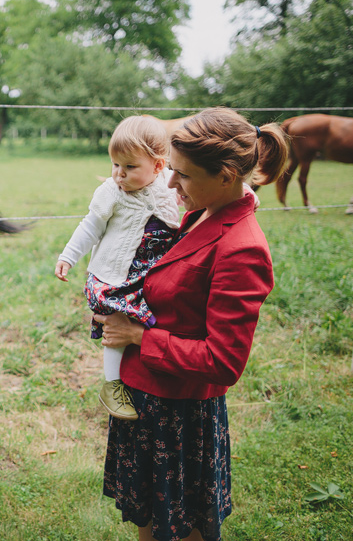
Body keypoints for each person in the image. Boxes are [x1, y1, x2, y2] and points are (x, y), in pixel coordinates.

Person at [96, 107, 288, 541]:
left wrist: (140, 336)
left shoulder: (243, 249)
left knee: (183, 527)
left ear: (224, 176)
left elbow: (223, 362)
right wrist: (121, 305)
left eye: (181, 174)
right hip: (150, 399)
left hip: (180, 413)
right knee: (151, 519)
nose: (169, 183)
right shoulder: (204, 212)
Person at [55, 116, 181, 421]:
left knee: (154, 319)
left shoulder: (170, 183)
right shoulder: (111, 192)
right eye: (115, 165)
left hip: (153, 272)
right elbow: (90, 228)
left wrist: (244, 193)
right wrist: (68, 256)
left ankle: (149, 369)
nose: (119, 174)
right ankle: (112, 383)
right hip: (116, 275)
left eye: (129, 167)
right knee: (119, 320)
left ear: (158, 166)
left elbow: (204, 192)